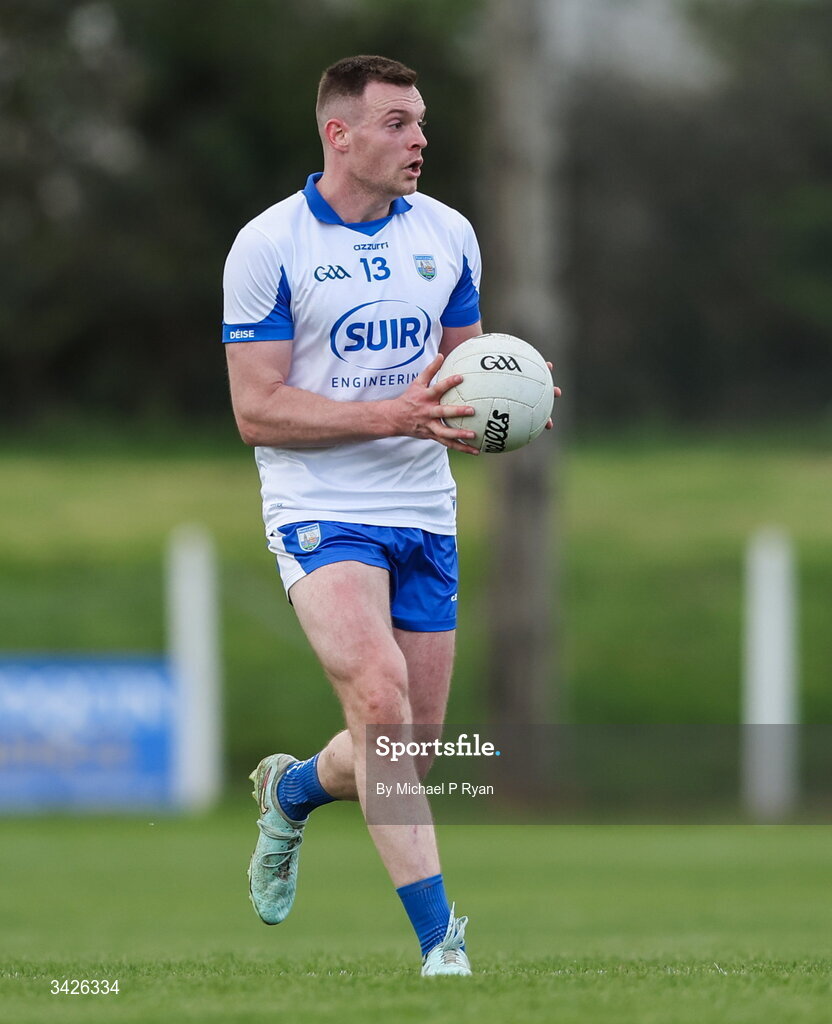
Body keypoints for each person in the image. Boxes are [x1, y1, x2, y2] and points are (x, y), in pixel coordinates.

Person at [223, 54, 555, 977]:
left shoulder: (447, 233)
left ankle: (292, 790)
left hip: (423, 505)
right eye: (399, 123)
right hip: (319, 505)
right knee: (379, 698)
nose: (420, 139)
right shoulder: (270, 245)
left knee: (409, 747)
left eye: (421, 122)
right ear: (341, 133)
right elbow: (257, 409)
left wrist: (509, 400)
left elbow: (465, 367)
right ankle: (442, 945)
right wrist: (391, 414)